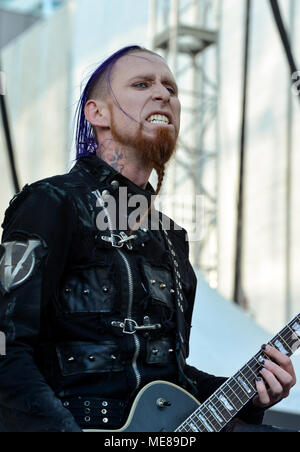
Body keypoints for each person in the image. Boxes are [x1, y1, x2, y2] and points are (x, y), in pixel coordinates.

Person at [0, 45, 297, 433]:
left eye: (171, 89)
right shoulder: (50, 203)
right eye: (142, 84)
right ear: (97, 113)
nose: (163, 94)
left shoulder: (172, 238)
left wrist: (251, 395)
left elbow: (169, 378)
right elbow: (8, 348)